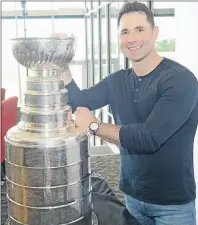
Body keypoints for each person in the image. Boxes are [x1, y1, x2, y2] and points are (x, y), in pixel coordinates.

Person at [58, 1, 198, 225]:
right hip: (132, 197)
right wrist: (62, 65)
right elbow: (79, 101)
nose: (132, 38)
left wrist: (94, 126)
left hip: (172, 206)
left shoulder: (180, 80)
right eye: (125, 32)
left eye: (140, 29)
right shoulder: (117, 81)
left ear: (155, 33)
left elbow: (148, 137)